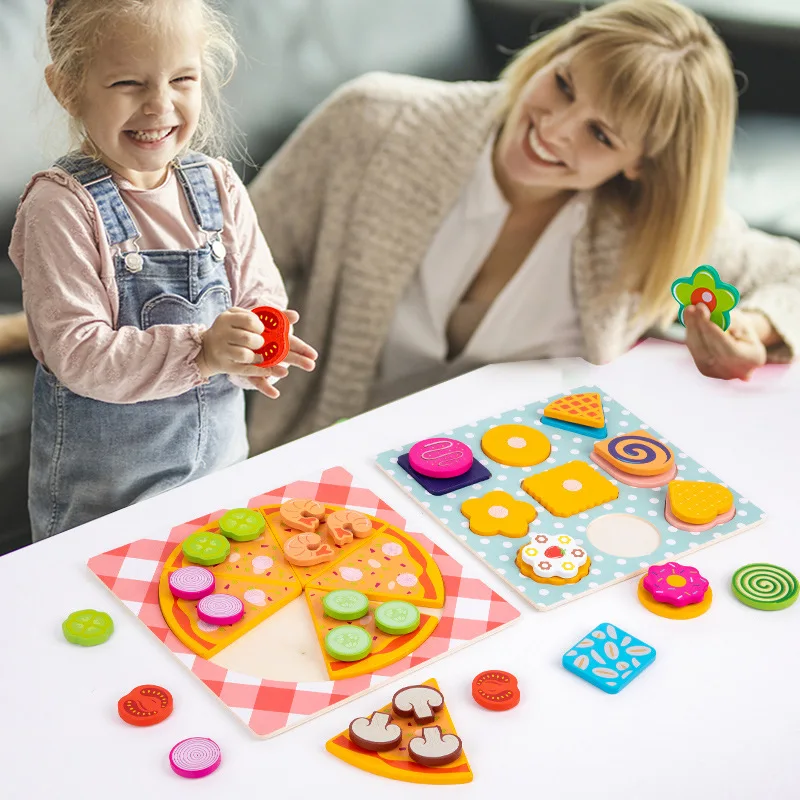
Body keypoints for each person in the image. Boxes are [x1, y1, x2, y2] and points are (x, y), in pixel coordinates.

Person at [246, 0, 800, 455]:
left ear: (642, 163)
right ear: (552, 54)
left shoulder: (649, 228)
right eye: (563, 85)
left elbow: (790, 273)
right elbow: (229, 260)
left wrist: (754, 327)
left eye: (600, 135)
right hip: (328, 458)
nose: (555, 130)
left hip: (522, 488)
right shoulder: (372, 121)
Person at [9, 0, 317, 540]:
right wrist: (202, 351)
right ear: (68, 88)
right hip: (105, 509)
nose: (159, 104)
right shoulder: (60, 208)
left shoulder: (218, 185)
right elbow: (78, 353)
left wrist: (255, 344)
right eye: (128, 83)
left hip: (218, 481)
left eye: (182, 79)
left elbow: (259, 294)